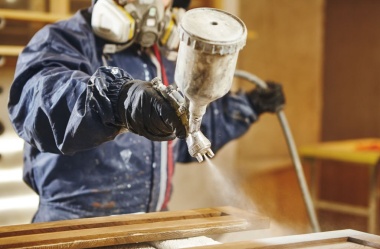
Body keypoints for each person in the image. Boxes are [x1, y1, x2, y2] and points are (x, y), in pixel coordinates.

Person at [8, 0, 285, 223]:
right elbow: (41, 99)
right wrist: (118, 100)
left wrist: (247, 107)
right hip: (70, 227)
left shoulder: (165, 57)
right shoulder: (62, 40)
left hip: (149, 225)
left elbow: (186, 127)